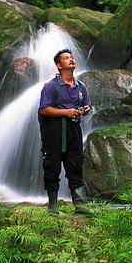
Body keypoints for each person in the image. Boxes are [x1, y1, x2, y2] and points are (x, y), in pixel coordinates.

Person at [38, 49, 92, 215]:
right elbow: (44, 110)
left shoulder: (81, 87)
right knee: (52, 165)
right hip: (54, 131)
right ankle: (53, 206)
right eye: (67, 58)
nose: (71, 60)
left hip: (74, 130)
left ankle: (80, 205)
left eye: (72, 57)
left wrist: (86, 109)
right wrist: (66, 112)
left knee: (75, 165)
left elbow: (87, 105)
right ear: (59, 65)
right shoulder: (50, 87)